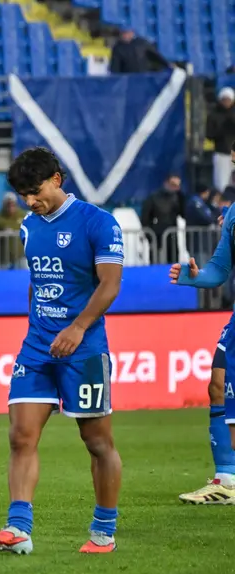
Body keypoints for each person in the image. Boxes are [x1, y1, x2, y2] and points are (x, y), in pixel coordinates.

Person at [0, 147, 124, 554]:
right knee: (21, 436)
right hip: (37, 347)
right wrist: (34, 328)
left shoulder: (99, 223)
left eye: (35, 190)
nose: (30, 200)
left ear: (57, 179)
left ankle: (103, 532)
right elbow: (37, 282)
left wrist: (78, 327)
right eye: (23, 193)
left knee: (97, 442)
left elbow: (110, 284)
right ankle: (18, 529)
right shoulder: (29, 226)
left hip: (85, 348)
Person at [170, 150, 235, 505]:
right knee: (217, 384)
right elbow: (220, 269)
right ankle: (226, 479)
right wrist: (195, 279)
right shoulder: (234, 214)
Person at [141, 174, 184, 262]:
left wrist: (180, 194)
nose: (174, 188)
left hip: (172, 235)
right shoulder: (154, 197)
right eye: (172, 184)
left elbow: (183, 212)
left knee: (173, 260)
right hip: (156, 235)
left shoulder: (177, 197)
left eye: (177, 185)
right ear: (166, 183)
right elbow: (145, 218)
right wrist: (149, 236)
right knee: (155, 260)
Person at [0, 192, 27, 269]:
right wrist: (1, 233)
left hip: (21, 257)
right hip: (5, 258)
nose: (10, 207)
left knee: (22, 279)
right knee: (4, 279)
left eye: (13, 204)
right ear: (4, 205)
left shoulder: (23, 215)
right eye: (8, 205)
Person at [208, 89, 235, 193]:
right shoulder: (215, 114)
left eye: (229, 100)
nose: (226, 102)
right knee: (221, 184)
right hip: (221, 152)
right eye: (224, 100)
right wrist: (221, 129)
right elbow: (209, 134)